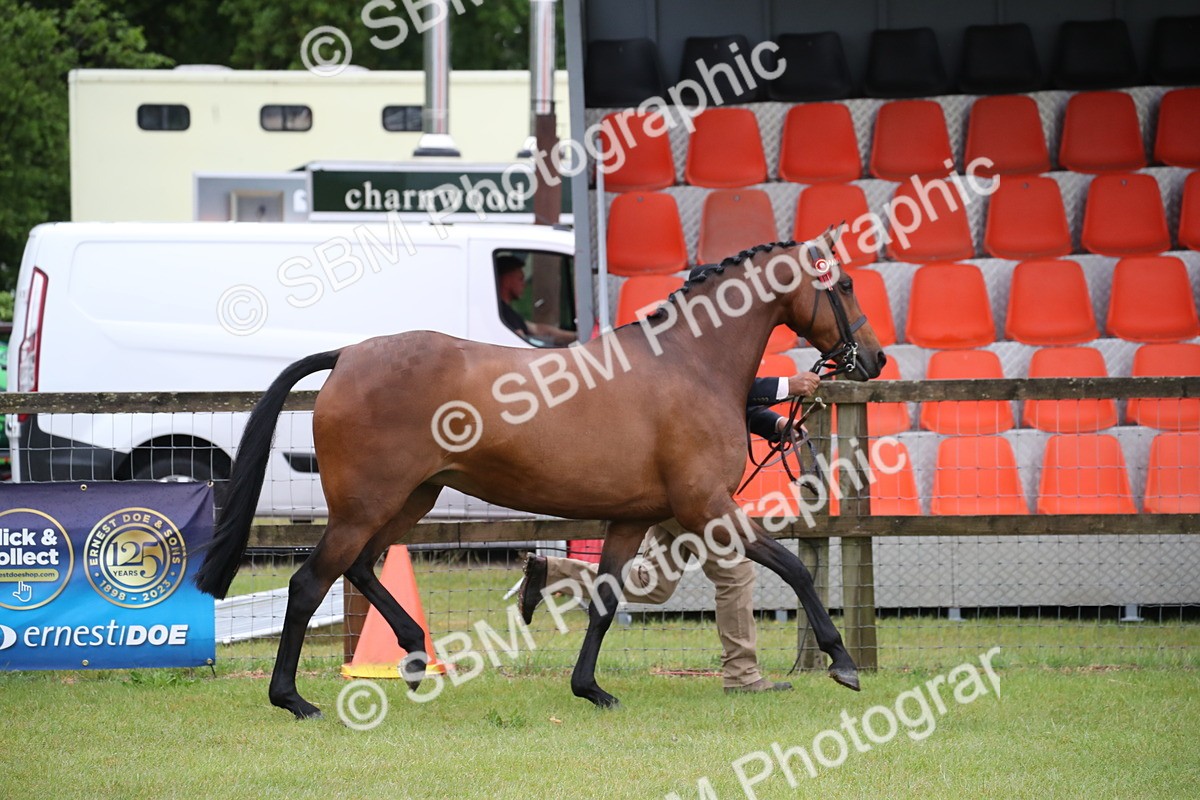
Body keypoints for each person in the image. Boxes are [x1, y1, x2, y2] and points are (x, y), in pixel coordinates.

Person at [517, 369, 821, 694]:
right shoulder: (690, 344)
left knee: (653, 584)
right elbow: (722, 384)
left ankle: (551, 574)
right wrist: (787, 386)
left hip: (674, 490)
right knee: (735, 571)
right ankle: (743, 676)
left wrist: (773, 425)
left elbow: (729, 397)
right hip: (683, 492)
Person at [496, 254, 576, 346]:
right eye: (520, 279)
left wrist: (576, 336)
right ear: (506, 281)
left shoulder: (507, 313)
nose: (524, 284)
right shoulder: (502, 315)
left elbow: (539, 330)